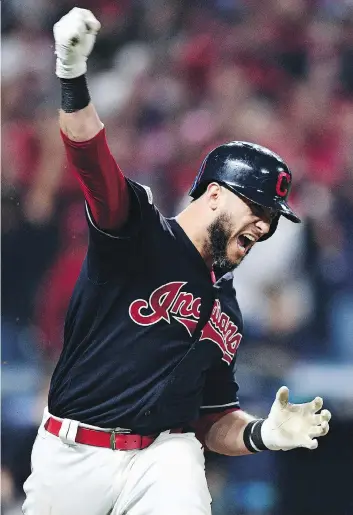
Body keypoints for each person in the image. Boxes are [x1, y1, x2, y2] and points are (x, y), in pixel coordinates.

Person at [23, 8, 331, 515]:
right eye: (257, 208)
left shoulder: (228, 311)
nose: (265, 226)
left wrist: (263, 433)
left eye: (272, 218)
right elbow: (92, 161)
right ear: (213, 195)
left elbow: (213, 421)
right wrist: (71, 74)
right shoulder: (138, 231)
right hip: (73, 455)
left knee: (180, 460)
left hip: (164, 457)